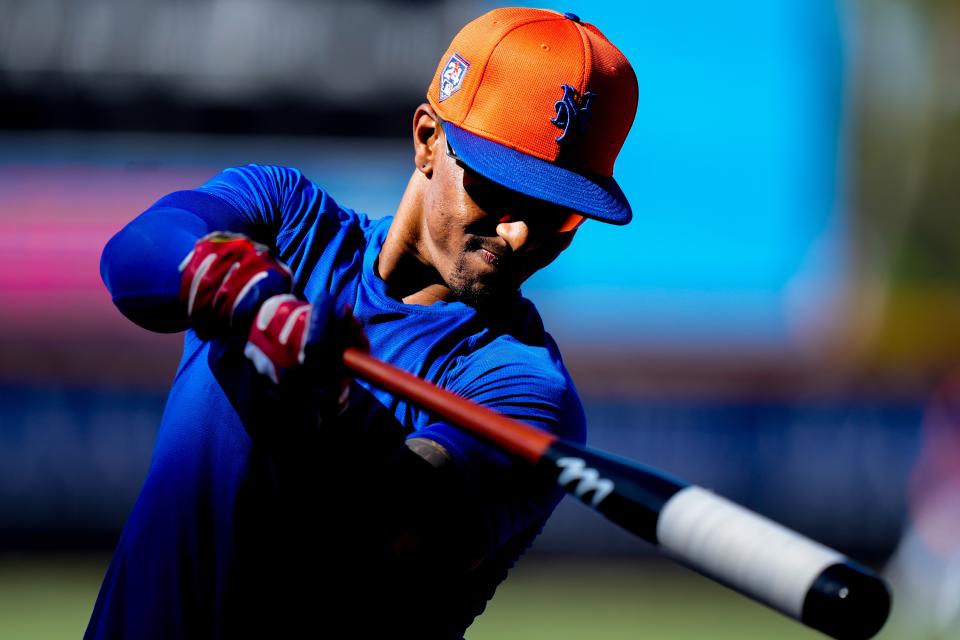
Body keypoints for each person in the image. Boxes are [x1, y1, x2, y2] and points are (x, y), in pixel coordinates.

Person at [86, 7, 638, 639]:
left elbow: (401, 539)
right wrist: (244, 293)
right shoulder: (286, 220)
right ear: (429, 139)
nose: (518, 234)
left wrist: (333, 407)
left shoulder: (527, 391)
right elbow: (133, 256)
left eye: (558, 215)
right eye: (501, 190)